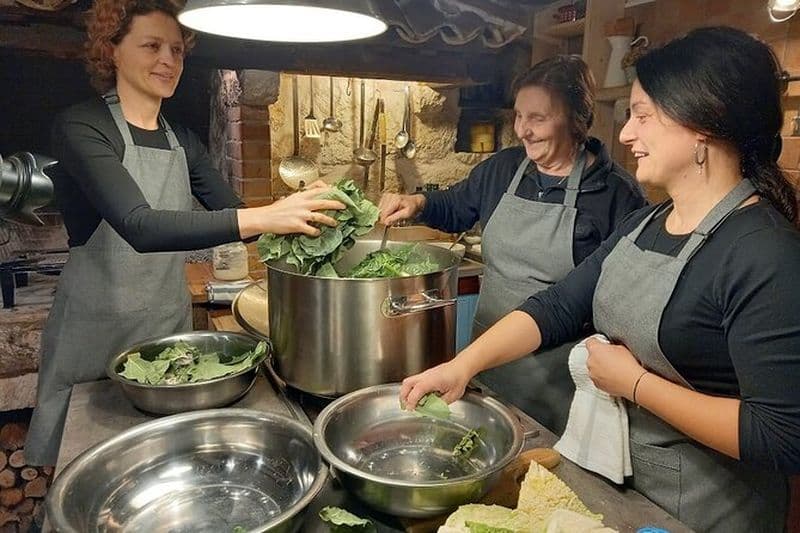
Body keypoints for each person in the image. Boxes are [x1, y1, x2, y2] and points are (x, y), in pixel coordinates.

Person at [400, 26, 800, 532]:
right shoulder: (646, 222)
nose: (627, 135)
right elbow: (558, 306)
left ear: (703, 124)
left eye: (642, 116)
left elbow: (782, 435)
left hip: (703, 511)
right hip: (618, 482)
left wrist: (635, 384)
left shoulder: (764, 252)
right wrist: (461, 367)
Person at [24, 0, 344, 466]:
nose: (168, 61)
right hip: (93, 340)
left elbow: (238, 218)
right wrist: (269, 215)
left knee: (161, 468)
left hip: (166, 340)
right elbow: (140, 225)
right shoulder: (82, 127)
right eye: (151, 46)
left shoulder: (183, 140)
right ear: (111, 51)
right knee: (88, 472)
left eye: (176, 50)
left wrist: (303, 209)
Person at [379, 55, 645, 434]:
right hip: (486, 361)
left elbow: (620, 303)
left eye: (538, 118)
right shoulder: (504, 168)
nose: (523, 130)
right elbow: (457, 205)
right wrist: (417, 203)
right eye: (519, 116)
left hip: (556, 380)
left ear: (576, 119)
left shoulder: (617, 194)